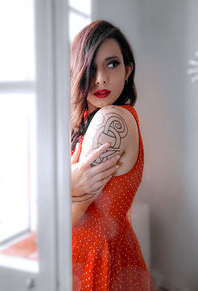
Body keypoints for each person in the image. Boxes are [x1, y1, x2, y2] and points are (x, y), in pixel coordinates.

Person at [70, 20, 155, 290]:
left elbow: (64, 219)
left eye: (112, 64)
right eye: (91, 66)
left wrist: (65, 186)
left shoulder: (109, 119)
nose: (101, 78)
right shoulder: (91, 117)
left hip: (96, 261)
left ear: (128, 70)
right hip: (104, 253)